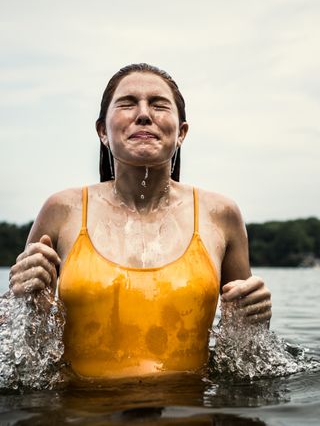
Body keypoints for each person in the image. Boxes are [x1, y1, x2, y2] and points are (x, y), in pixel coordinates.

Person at [9, 63, 272, 379]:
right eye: (128, 103)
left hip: (189, 411)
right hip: (79, 413)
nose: (144, 114)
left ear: (181, 133)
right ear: (103, 131)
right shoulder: (61, 209)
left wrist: (255, 318)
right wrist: (24, 298)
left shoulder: (221, 214)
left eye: (159, 104)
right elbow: (18, 346)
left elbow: (246, 361)